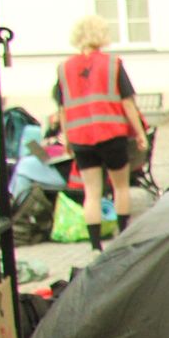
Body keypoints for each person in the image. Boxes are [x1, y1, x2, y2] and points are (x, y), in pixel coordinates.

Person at [52, 14, 148, 252]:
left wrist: (66, 138)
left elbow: (62, 109)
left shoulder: (64, 69)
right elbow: (127, 103)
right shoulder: (112, 64)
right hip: (111, 134)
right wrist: (140, 133)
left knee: (92, 192)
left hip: (80, 138)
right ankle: (123, 238)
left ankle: (95, 246)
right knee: (120, 187)